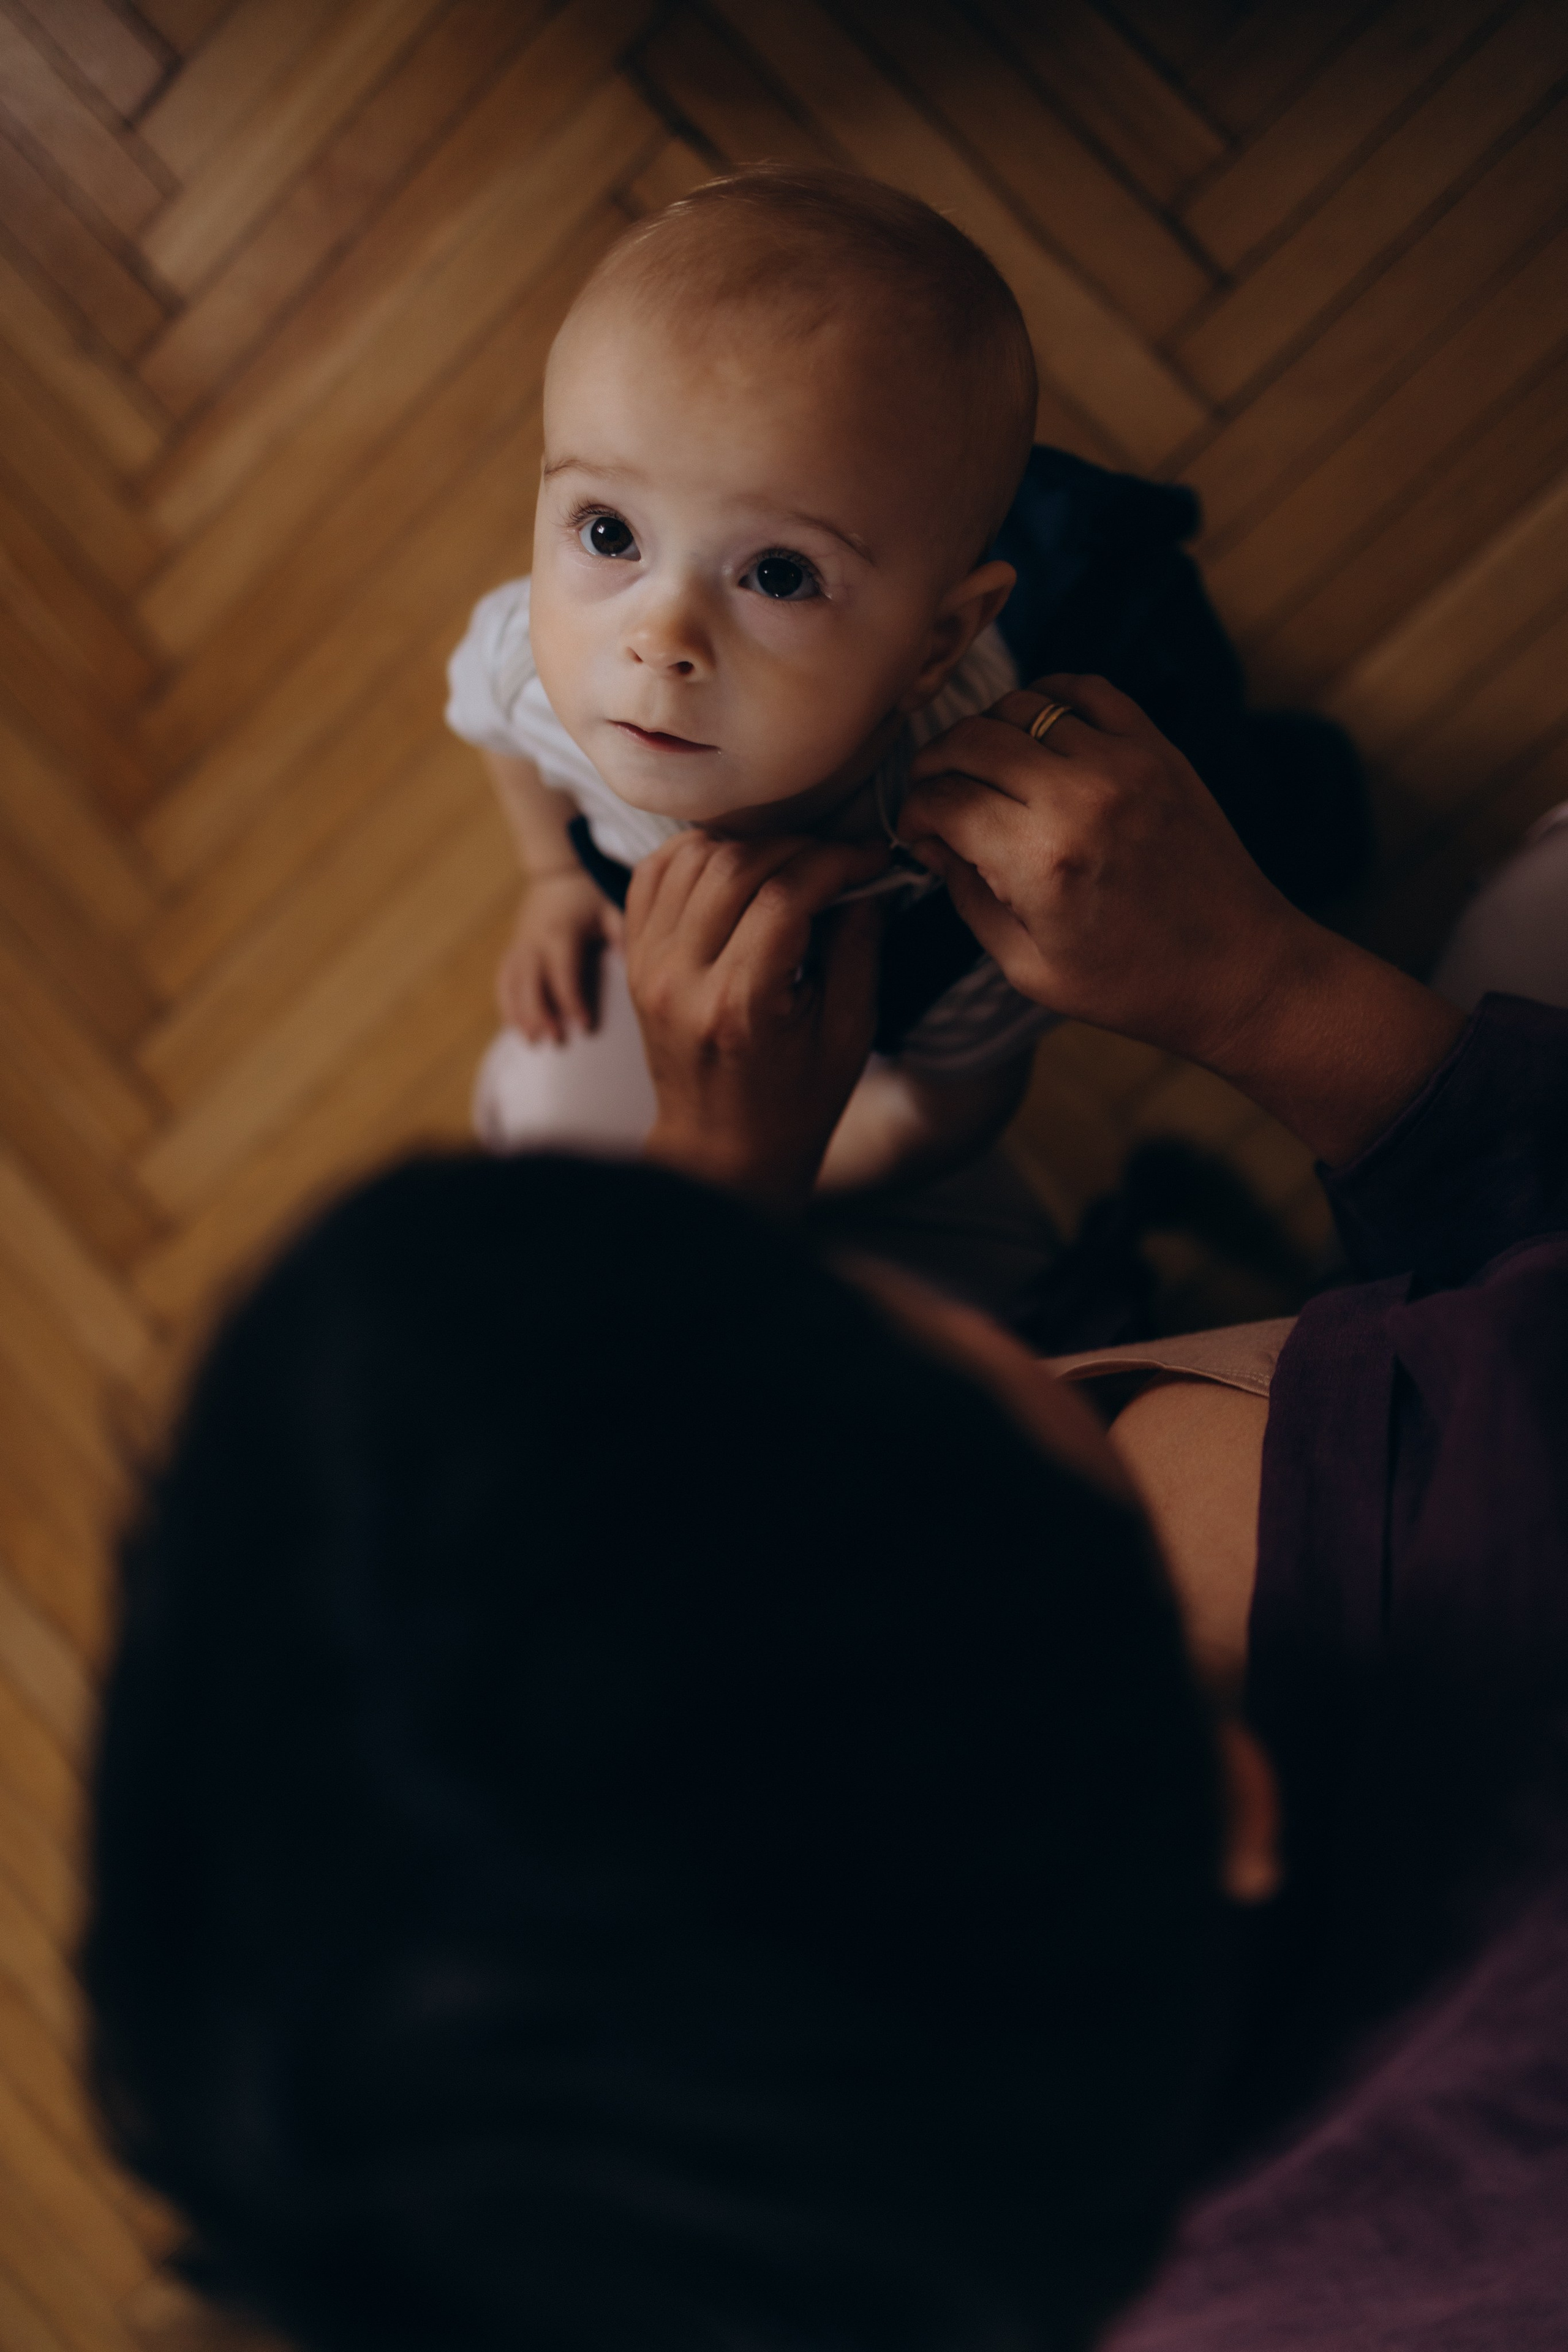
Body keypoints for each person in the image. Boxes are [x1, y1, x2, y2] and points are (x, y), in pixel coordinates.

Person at [84, 679, 1568, 2350]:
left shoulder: (931, 2228)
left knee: (566, 1100)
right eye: (871, 1337)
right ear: (1222, 1796)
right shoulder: (1499, 1525)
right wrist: (1263, 983)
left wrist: (723, 1169)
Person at [445, 164, 1056, 1193]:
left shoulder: (982, 862)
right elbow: (496, 730)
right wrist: (551, 876)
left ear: (935, 646)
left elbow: (955, 1106)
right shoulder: (534, 670)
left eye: (778, 574)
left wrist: (797, 1177)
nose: (659, 636)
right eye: (609, 532)